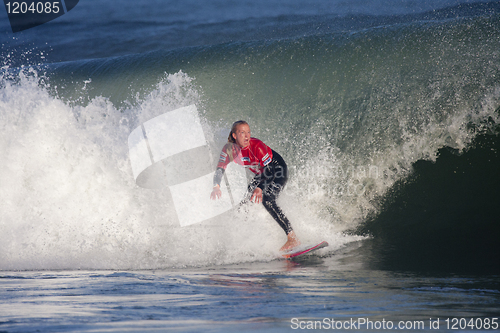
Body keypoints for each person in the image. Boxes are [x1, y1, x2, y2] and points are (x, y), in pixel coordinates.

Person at [210, 120, 300, 251]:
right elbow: (220, 169)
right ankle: (243, 241)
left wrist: (259, 188)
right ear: (234, 135)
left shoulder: (256, 145)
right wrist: (216, 186)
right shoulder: (229, 149)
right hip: (262, 174)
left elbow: (269, 170)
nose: (247, 136)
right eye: (242, 133)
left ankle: (292, 238)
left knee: (268, 200)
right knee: (244, 205)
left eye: (248, 132)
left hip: (277, 170)